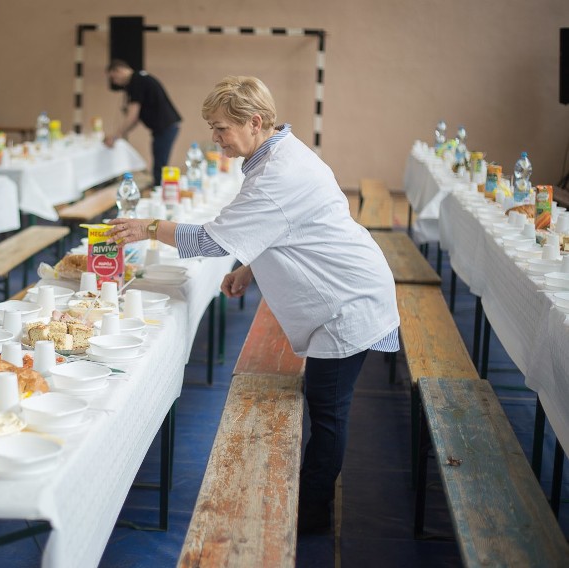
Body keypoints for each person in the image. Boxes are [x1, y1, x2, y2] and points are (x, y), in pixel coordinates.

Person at [106, 76, 400, 534]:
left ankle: (312, 514)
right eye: (212, 128)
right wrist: (250, 266)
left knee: (328, 412)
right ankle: (311, 504)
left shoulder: (278, 172)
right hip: (348, 285)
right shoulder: (279, 153)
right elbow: (286, 227)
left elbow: (208, 239)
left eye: (221, 128)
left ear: (255, 122)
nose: (215, 138)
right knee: (325, 403)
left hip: (347, 301)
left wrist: (149, 228)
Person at [104, 59, 181, 187]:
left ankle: (159, 193)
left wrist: (115, 136)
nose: (114, 82)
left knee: (159, 165)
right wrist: (120, 134)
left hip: (165, 127)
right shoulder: (139, 79)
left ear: (118, 70)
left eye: (113, 78)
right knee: (159, 163)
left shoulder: (136, 81)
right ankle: (158, 189)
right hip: (165, 127)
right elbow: (135, 118)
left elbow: (132, 116)